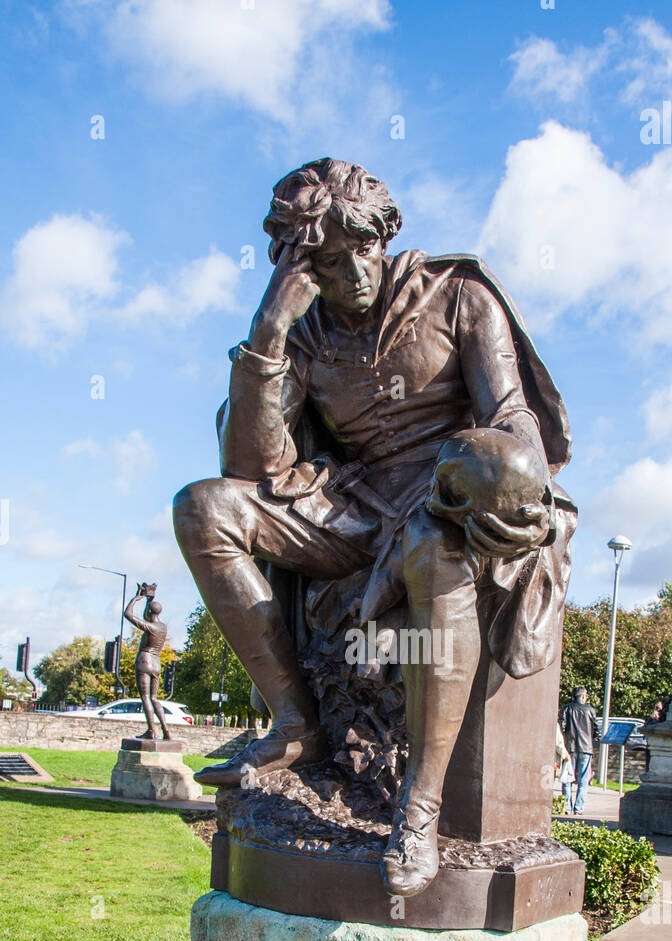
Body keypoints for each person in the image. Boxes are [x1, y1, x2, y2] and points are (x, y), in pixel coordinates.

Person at [174, 158, 576, 897]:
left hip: (452, 499)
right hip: (352, 510)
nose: (351, 271)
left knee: (434, 545)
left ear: (385, 236)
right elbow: (250, 467)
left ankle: (418, 809)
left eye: (360, 249)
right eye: (326, 261)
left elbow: (511, 413)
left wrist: (502, 472)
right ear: (302, 266)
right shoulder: (301, 333)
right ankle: (297, 722)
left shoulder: (459, 298)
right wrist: (268, 330)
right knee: (203, 507)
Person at [124, 583, 171, 741]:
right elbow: (146, 617)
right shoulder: (162, 627)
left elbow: (128, 614)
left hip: (144, 661)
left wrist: (135, 599)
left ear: (151, 611)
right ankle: (166, 731)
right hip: (156, 664)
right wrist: (149, 601)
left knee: (145, 697)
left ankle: (151, 730)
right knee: (154, 698)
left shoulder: (150, 627)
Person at [560, 686, 599, 816]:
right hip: (586, 747)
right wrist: (590, 739)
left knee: (567, 777)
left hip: (570, 747)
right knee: (583, 780)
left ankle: (567, 806)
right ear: (583, 696)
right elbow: (596, 729)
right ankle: (579, 808)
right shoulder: (590, 710)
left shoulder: (566, 709)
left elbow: (562, 726)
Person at [555, 721, 574, 813]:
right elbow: (558, 743)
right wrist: (565, 754)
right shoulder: (554, 724)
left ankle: (567, 807)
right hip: (551, 761)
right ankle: (568, 807)